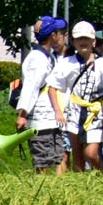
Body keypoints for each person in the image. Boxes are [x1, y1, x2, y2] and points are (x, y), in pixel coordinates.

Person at [15, 16, 71, 173]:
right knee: (43, 159)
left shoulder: (50, 57)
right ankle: (43, 190)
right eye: (59, 32)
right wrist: (23, 113)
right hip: (40, 117)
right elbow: (30, 87)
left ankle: (59, 190)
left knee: (59, 156)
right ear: (53, 36)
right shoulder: (37, 59)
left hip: (53, 117)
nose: (61, 36)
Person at [67, 22, 103, 173]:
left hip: (95, 114)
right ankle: (80, 186)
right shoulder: (67, 63)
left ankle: (101, 176)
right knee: (77, 155)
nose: (83, 42)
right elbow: (55, 87)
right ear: (73, 41)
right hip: (74, 113)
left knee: (91, 153)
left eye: (86, 39)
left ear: (94, 41)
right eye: (79, 39)